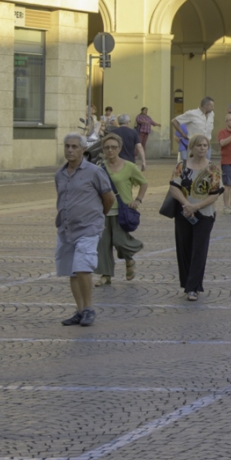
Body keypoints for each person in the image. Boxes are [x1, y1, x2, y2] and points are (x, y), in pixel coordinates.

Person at [54, 134, 116, 327]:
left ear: (83, 150)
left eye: (74, 147)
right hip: (66, 228)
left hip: (89, 227)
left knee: (82, 266)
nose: (70, 150)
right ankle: (80, 311)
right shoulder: (60, 174)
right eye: (67, 146)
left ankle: (89, 309)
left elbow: (109, 197)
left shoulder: (94, 172)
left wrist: (99, 217)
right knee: (72, 271)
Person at [167, 135, 225, 301]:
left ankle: (193, 287)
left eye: (205, 145)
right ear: (191, 147)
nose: (202, 148)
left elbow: (215, 194)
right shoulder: (182, 166)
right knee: (184, 248)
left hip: (205, 214)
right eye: (199, 145)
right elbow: (174, 187)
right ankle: (186, 284)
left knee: (199, 250)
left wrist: (196, 207)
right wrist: (187, 205)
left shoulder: (213, 168)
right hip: (184, 213)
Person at [96, 133, 147, 287]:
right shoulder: (99, 168)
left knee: (119, 240)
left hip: (122, 210)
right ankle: (106, 275)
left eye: (113, 147)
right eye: (107, 148)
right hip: (104, 211)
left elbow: (143, 183)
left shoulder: (129, 166)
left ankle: (130, 256)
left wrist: (137, 200)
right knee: (103, 244)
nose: (110, 150)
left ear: (119, 148)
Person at [133, 106, 154, 170]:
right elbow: (138, 121)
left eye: (146, 111)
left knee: (143, 144)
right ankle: (135, 155)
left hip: (146, 132)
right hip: (141, 132)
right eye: (144, 110)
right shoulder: (139, 116)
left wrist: (157, 124)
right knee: (139, 144)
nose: (145, 112)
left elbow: (152, 122)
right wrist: (144, 122)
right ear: (142, 111)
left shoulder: (148, 117)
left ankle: (143, 157)